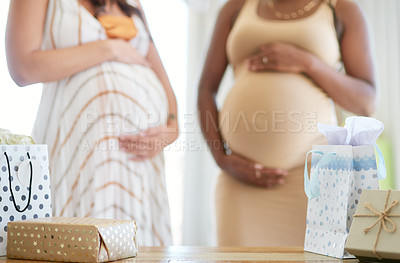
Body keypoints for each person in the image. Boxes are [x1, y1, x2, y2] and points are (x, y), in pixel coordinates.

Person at [198, 0, 376, 246]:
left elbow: (365, 102)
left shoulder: (341, 8)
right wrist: (221, 158)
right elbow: (206, 90)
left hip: (312, 181)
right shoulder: (236, 6)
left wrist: (307, 63)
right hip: (240, 182)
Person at [6, 0, 179, 246]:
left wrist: (171, 129)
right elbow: (22, 68)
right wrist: (109, 49)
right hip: (76, 153)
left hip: (138, 164)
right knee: (76, 245)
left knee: (136, 245)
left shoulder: (131, 2)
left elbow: (161, 75)